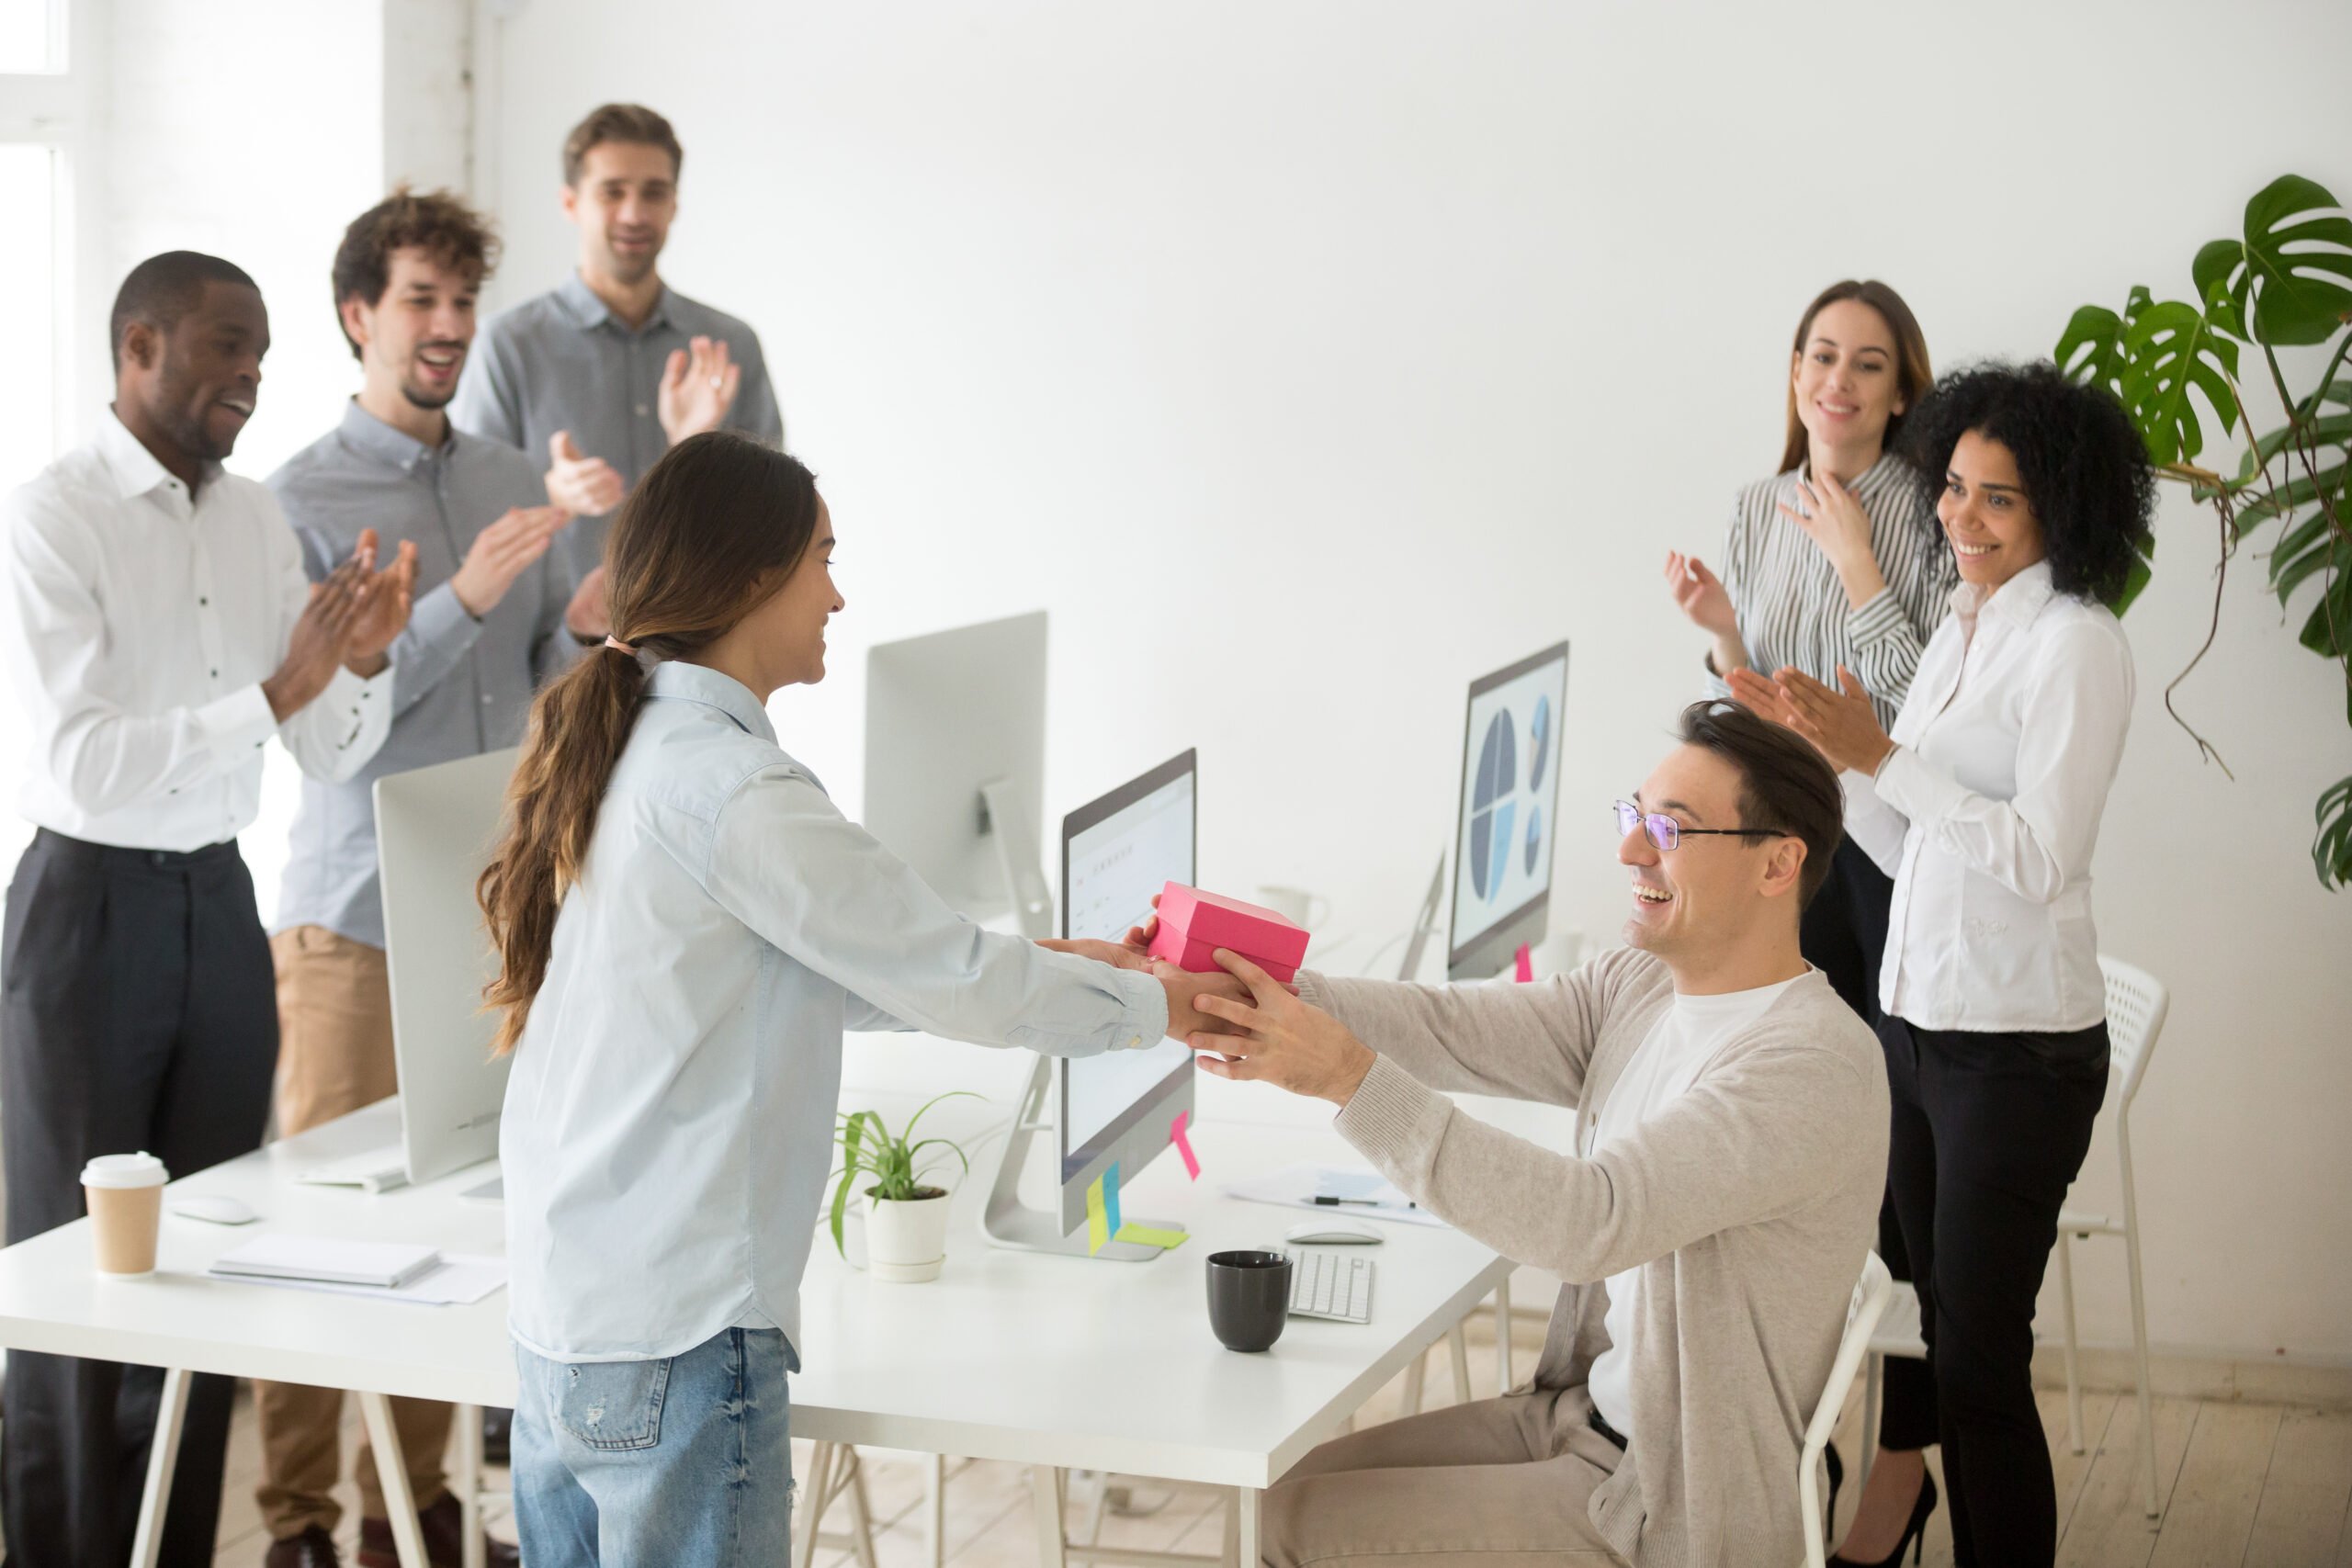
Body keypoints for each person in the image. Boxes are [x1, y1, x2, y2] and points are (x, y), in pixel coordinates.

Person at [474, 431, 1245, 1568]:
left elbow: (808, 972)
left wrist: (1076, 965)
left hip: (568, 1334)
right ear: (747, 578)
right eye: (822, 559)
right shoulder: (732, 788)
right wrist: (1164, 1012)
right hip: (679, 1338)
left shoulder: (626, 752)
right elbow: (956, 984)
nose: (837, 593)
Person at [1150, 702, 1888, 1568]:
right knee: (1274, 1494)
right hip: (1579, 1421)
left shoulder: (1810, 1065)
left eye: (1671, 829)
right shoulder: (1643, 988)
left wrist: (1347, 1078)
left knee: (1284, 1531)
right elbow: (1448, 1029)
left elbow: (1590, 1220)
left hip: (1673, 1500)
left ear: (1779, 863)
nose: (1630, 850)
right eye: (1635, 816)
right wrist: (1202, 987)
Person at [0, 252, 415, 1568]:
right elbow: (85, 761)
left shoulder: (253, 519)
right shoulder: (52, 516)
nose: (251, 372)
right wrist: (279, 693)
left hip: (217, 906)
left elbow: (333, 748)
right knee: (77, 1277)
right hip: (87, 911)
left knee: (207, 1256)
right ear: (140, 348)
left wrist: (362, 660)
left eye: (261, 350)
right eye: (226, 345)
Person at [1729, 361, 2153, 1568]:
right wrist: (1827, 751)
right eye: (1955, 489)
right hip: (1917, 1034)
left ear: (2057, 510)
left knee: (1981, 1360)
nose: (1961, 518)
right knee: (1932, 1333)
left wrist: (1884, 751)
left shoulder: (2076, 648)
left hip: (2013, 1054)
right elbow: (1914, 843)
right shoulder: (1964, 631)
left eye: (1997, 500)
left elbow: (2036, 855)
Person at [254, 188, 606, 1568]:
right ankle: (297, 1526)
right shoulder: (299, 502)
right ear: (360, 315)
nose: (449, 327)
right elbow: (333, 732)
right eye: (420, 300)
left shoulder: (513, 478)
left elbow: (538, 702)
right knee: (318, 1236)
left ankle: (424, 1513)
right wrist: (458, 598)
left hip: (489, 925)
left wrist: (578, 631)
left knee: (457, 1236)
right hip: (349, 922)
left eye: (464, 302)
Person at [452, 102, 783, 586]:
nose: (634, 213)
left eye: (654, 193)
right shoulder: (508, 344)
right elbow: (470, 515)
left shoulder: (730, 345)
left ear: (674, 204)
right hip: (563, 654)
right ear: (571, 203)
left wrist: (695, 453)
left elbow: (774, 518)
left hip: (704, 643)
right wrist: (549, 494)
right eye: (612, 192)